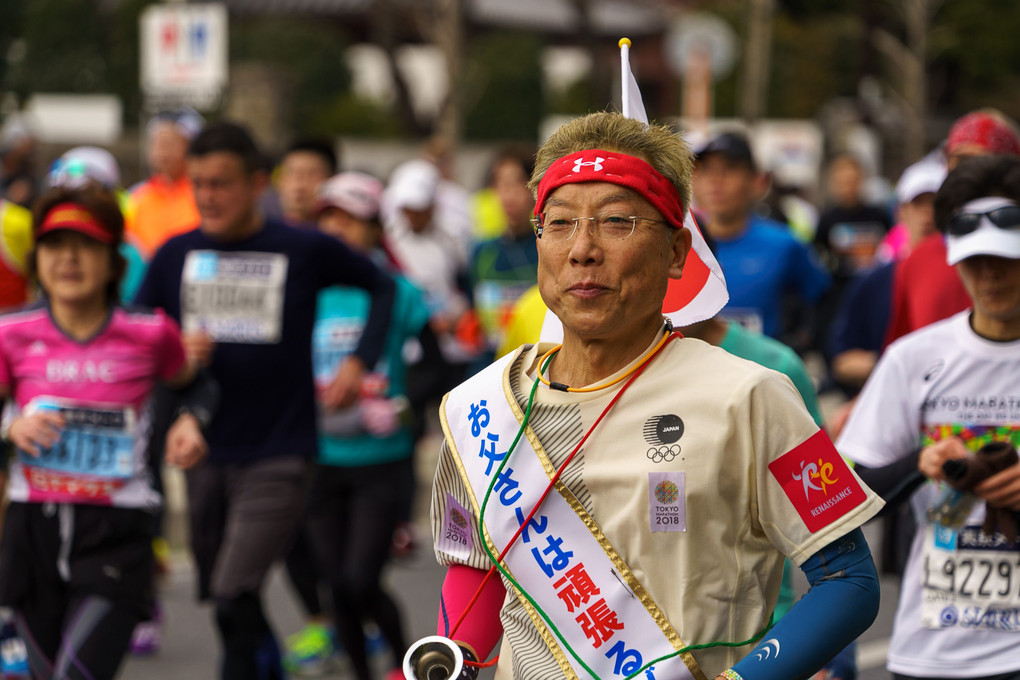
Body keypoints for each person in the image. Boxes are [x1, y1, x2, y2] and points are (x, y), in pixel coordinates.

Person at [424, 112, 883, 680]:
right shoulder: (481, 405)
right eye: (560, 223)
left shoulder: (754, 395)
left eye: (617, 222)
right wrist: (453, 659)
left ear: (675, 252)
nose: (583, 249)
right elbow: (475, 573)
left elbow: (849, 580)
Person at [133, 122, 396, 680]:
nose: (208, 196)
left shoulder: (300, 247)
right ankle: (269, 666)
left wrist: (358, 362)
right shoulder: (175, 254)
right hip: (205, 451)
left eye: (222, 183)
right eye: (199, 183)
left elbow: (382, 285)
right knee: (229, 598)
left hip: (281, 448)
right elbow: (136, 334)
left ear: (257, 184)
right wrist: (175, 349)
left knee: (232, 592)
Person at [0, 184, 212, 680]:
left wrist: (189, 420)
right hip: (32, 532)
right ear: (37, 259)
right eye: (54, 245)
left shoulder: (151, 331)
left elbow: (196, 388)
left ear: (114, 260)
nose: (68, 259)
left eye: (86, 244)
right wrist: (12, 427)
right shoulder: (11, 332)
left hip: (116, 533)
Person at [837, 154, 1020, 679]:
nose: (989, 274)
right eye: (974, 258)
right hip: (933, 650)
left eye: (1005, 258)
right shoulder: (913, 358)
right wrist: (924, 461)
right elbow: (846, 497)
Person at [303, 171, 428, 680]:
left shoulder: (398, 292)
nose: (337, 228)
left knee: (360, 580)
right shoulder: (305, 292)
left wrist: (401, 408)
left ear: (376, 228)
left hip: (381, 463)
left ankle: (405, 664)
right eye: (328, 216)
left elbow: (435, 370)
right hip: (318, 461)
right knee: (335, 586)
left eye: (350, 219)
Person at [884, 110, 1020, 347]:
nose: (968, 174)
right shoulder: (917, 260)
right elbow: (903, 353)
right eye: (958, 161)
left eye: (984, 161)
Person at [691, 131, 830, 341]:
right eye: (705, 169)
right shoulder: (680, 246)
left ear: (757, 181)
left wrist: (798, 348)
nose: (715, 180)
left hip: (764, 370)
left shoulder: (785, 245)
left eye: (729, 169)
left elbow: (824, 302)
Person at [469, 146, 539, 367]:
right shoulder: (482, 251)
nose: (508, 194)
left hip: (536, 366)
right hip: (487, 366)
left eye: (517, 183)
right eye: (501, 184)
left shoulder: (548, 247)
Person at [126, 107, 203, 259]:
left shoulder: (203, 194)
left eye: (170, 143)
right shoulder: (137, 196)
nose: (161, 150)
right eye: (156, 142)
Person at [275, 138, 337, 228]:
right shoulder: (261, 236)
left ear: (333, 180)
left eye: (312, 174)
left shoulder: (341, 237)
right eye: (292, 172)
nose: (299, 183)